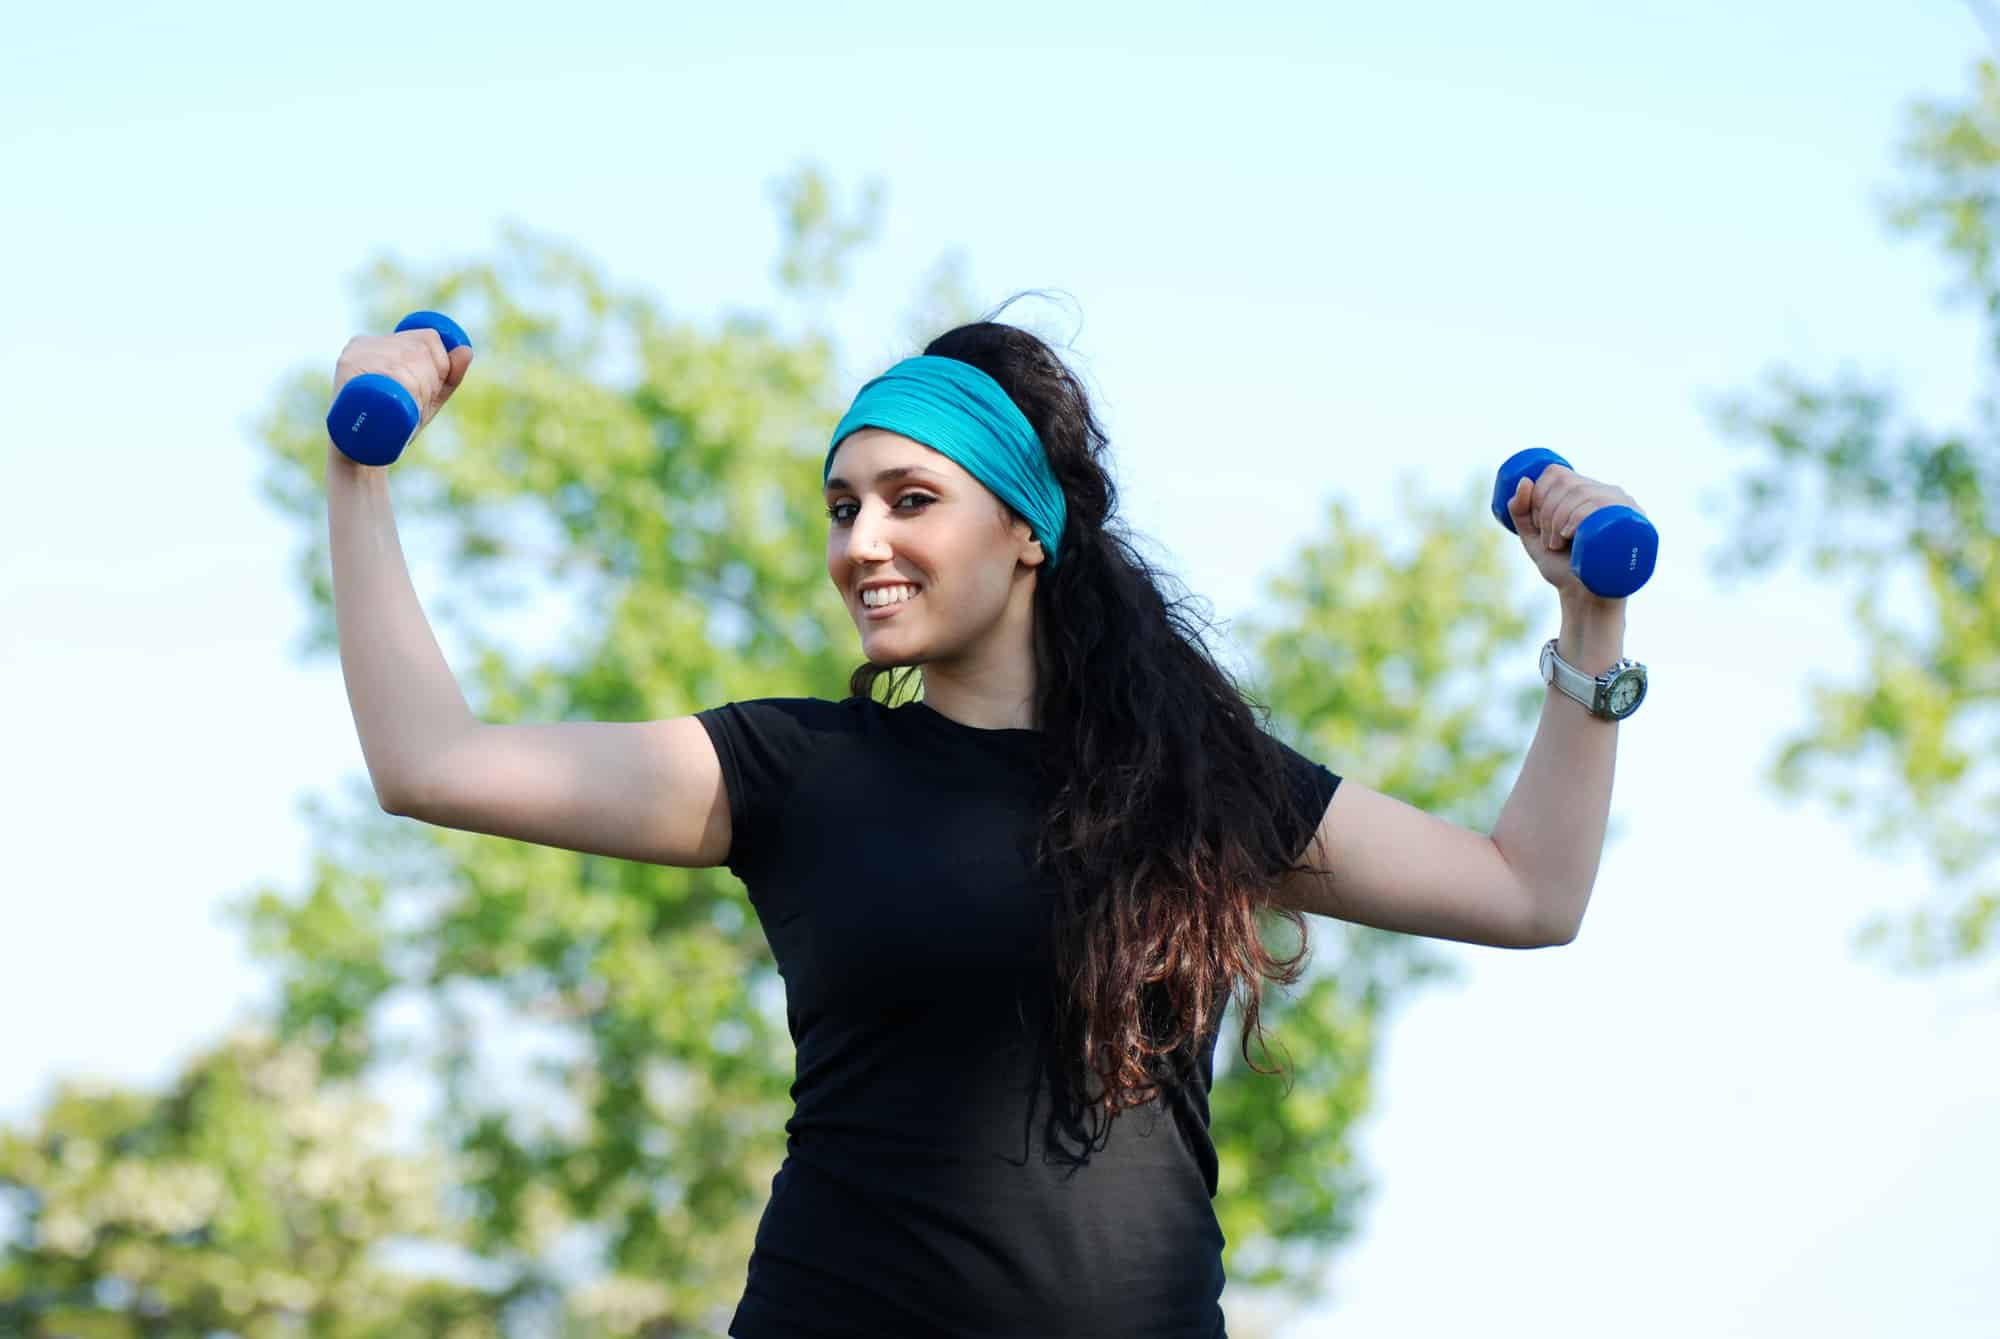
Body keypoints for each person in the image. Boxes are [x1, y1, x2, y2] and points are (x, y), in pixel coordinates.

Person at [325, 298, 1629, 1339]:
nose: (859, 542)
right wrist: (356, 472)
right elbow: (433, 761)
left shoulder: (1199, 785)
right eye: (842, 508)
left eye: (909, 498)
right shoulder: (791, 770)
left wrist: (1589, 619)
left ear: (1026, 530)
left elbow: (1529, 893)